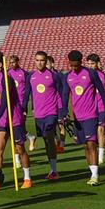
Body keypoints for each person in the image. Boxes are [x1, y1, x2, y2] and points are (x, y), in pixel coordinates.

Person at [65, 49, 105, 185]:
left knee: (91, 144)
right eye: (71, 65)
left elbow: (102, 92)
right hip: (77, 117)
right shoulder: (67, 76)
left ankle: (95, 176)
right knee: (85, 145)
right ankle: (92, 173)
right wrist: (63, 113)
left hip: (91, 114)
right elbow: (64, 95)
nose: (73, 67)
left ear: (80, 62)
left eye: (76, 65)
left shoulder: (90, 74)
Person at [0, 52, 30, 190]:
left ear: (0, 64)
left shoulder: (7, 79)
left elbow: (5, 101)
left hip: (14, 118)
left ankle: (27, 177)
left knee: (20, 149)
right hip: (1, 119)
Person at [25, 51, 66, 182]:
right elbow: (26, 95)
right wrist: (23, 109)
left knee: (49, 137)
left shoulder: (54, 76)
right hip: (38, 114)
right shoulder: (31, 77)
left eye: (42, 60)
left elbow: (60, 95)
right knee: (46, 141)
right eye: (37, 60)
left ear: (46, 61)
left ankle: (54, 170)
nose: (39, 63)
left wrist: (61, 113)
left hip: (51, 112)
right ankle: (52, 169)